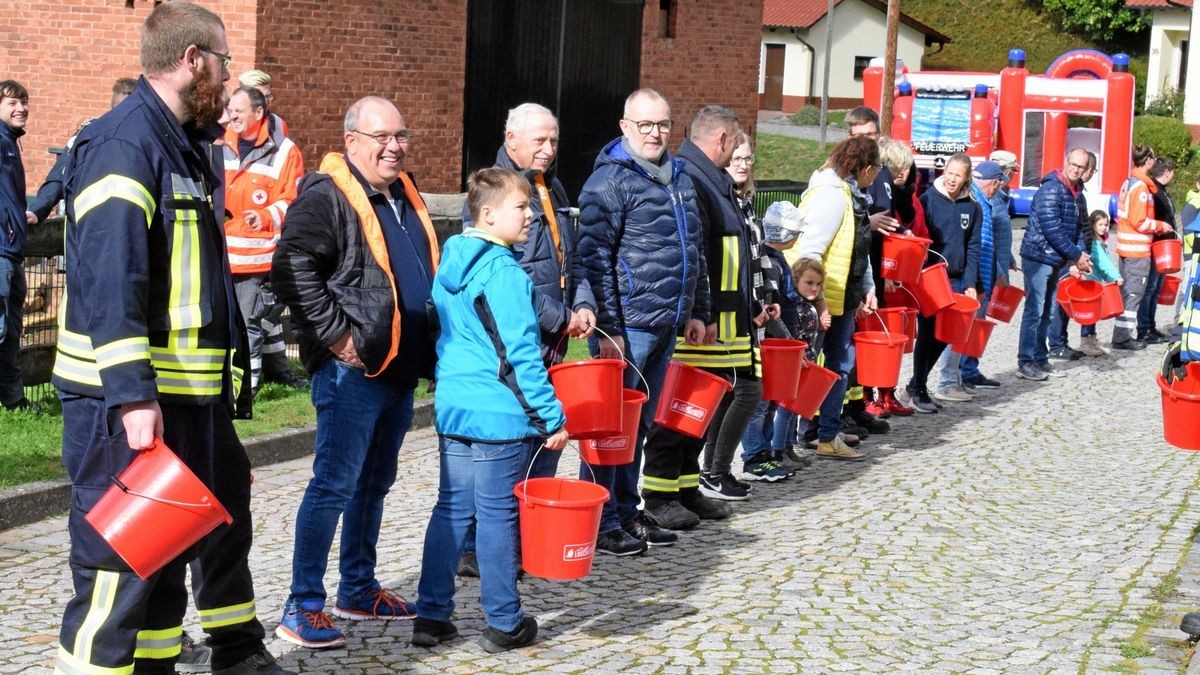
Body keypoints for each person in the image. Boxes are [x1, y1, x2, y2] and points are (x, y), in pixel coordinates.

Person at [50, 4, 289, 673]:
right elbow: (110, 277)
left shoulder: (178, 142)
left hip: (183, 399)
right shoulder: (127, 144)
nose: (228, 73)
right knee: (116, 571)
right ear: (193, 60)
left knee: (160, 566)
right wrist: (132, 397)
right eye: (223, 59)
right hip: (123, 407)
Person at [271, 96, 440, 647]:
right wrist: (337, 335)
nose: (394, 146)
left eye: (401, 135)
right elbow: (291, 267)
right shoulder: (326, 196)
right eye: (381, 137)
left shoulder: (401, 193)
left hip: (398, 368)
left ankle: (359, 589)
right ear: (350, 140)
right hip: (352, 370)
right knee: (334, 485)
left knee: (375, 483)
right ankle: (303, 604)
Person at [413, 167, 569, 654]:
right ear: (487, 213)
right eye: (521, 208)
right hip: (498, 415)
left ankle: (432, 616)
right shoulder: (504, 273)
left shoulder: (451, 259)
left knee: (452, 509)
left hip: (455, 406)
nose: (532, 216)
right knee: (497, 514)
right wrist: (552, 418)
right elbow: (519, 355)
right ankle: (504, 620)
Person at [455, 102, 596, 577]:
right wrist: (561, 318)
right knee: (508, 447)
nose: (548, 149)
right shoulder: (493, 192)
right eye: (539, 140)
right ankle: (480, 547)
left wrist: (583, 304)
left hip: (551, 335)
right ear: (511, 138)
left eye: (553, 140)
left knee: (538, 444)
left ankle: (520, 535)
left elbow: (567, 258)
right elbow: (503, 280)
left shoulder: (550, 186)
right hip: (514, 342)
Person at [577, 88, 708, 555]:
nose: (655, 134)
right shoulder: (608, 182)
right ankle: (602, 517)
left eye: (663, 125)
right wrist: (609, 329)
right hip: (626, 326)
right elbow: (593, 261)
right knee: (609, 428)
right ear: (625, 127)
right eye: (645, 125)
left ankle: (628, 510)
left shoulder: (680, 177)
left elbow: (695, 250)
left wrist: (698, 310)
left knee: (638, 425)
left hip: (667, 321)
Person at [644, 105, 764, 514]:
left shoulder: (711, 181)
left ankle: (686, 488)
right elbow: (692, 254)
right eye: (734, 143)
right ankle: (660, 495)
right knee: (679, 410)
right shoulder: (692, 179)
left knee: (700, 410)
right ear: (722, 140)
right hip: (704, 324)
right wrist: (703, 311)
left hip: (723, 323)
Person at [784, 136, 879, 460]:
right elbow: (810, 253)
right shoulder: (833, 196)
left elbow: (857, 249)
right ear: (866, 168)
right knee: (819, 368)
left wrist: (868, 286)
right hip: (827, 300)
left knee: (837, 366)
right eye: (876, 170)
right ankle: (807, 437)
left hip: (843, 296)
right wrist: (820, 302)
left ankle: (824, 433)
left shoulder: (851, 194)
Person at [223, 85, 306, 394]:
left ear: (259, 113)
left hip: (255, 261)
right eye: (231, 110)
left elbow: (293, 199)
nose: (233, 116)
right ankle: (264, 376)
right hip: (219, 257)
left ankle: (245, 391)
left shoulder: (285, 152)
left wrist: (267, 214)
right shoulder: (219, 144)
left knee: (248, 325)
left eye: (239, 110)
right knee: (237, 324)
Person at [904, 153, 981, 408]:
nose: (952, 179)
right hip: (932, 276)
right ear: (943, 171)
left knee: (945, 335)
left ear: (966, 178)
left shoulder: (972, 206)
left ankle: (916, 384)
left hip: (957, 279)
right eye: (950, 173)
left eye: (958, 175)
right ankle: (919, 388)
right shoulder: (928, 200)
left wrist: (971, 282)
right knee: (927, 333)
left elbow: (973, 246)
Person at [740, 200, 809, 482]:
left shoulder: (776, 260)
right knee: (760, 403)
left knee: (769, 401)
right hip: (770, 345)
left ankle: (766, 451)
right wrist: (790, 340)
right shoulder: (770, 264)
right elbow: (770, 308)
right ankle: (754, 456)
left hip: (778, 345)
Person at [1016, 147, 1093, 381]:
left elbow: (1079, 227)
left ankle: (1040, 357)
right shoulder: (1052, 188)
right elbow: (1053, 229)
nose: (1076, 169)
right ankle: (1025, 360)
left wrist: (1081, 255)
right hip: (1038, 256)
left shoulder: (1076, 192)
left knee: (1047, 311)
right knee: (1035, 310)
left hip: (1055, 258)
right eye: (1073, 164)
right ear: (1066, 161)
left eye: (1081, 167)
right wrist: (1076, 255)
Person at [27, 78, 137, 224]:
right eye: (118, 109)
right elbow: (60, 175)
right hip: (84, 228)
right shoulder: (88, 134)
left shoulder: (144, 138)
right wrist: (36, 210)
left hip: (127, 225)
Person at [1113, 144, 1170, 351]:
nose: (1154, 162)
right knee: (1133, 295)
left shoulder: (1129, 182)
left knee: (1128, 294)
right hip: (1136, 251)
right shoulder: (1141, 188)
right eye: (1153, 158)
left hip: (1126, 248)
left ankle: (1121, 335)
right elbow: (1139, 221)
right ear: (1147, 161)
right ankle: (1122, 338)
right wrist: (1160, 225)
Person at [957, 160, 1006, 391]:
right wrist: (978, 279)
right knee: (971, 327)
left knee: (975, 326)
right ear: (994, 183)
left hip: (980, 273)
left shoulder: (978, 200)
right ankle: (965, 372)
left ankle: (967, 370)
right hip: (976, 276)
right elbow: (978, 245)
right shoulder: (978, 202)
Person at [0, 80, 29, 411]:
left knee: (11, 330)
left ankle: (13, 399)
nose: (20, 107)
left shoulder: (9, 142)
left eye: (23, 101)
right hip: (2, 249)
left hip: (12, 249)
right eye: (11, 102)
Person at [1139, 156, 1178, 343]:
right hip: (1157, 245)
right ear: (1168, 172)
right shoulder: (1154, 191)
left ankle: (1151, 326)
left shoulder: (1163, 191)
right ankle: (1144, 328)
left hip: (1166, 247)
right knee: (1150, 287)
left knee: (1156, 288)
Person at [1075, 210, 1122, 357]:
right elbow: (1104, 263)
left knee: (1094, 314)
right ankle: (1085, 342)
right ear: (1093, 225)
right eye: (1100, 224)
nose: (1104, 227)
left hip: (1096, 284)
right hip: (1089, 284)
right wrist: (1116, 276)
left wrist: (1108, 279)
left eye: (1106, 224)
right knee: (1089, 314)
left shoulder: (1101, 242)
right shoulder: (1095, 243)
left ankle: (1093, 340)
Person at [238, 69, 288, 135]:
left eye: (267, 96)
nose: (264, 101)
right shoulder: (228, 123)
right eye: (258, 96)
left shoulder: (278, 124)